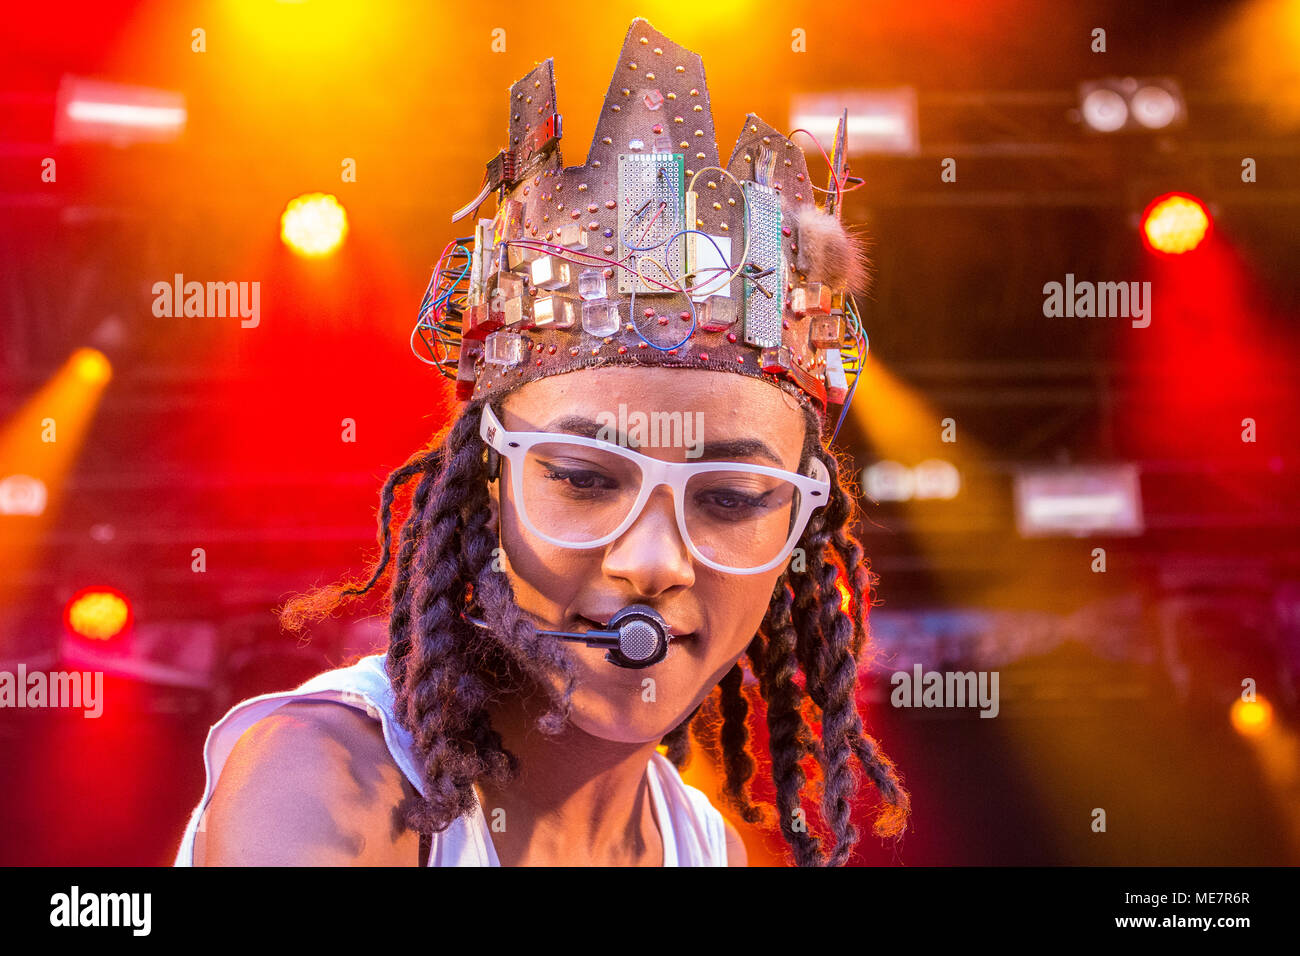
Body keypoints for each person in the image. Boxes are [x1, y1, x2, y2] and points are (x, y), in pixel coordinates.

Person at [172, 16, 909, 867]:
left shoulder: (704, 846)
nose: (655, 562)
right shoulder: (326, 784)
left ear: (793, 539)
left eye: (731, 499)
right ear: (489, 484)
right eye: (585, 479)